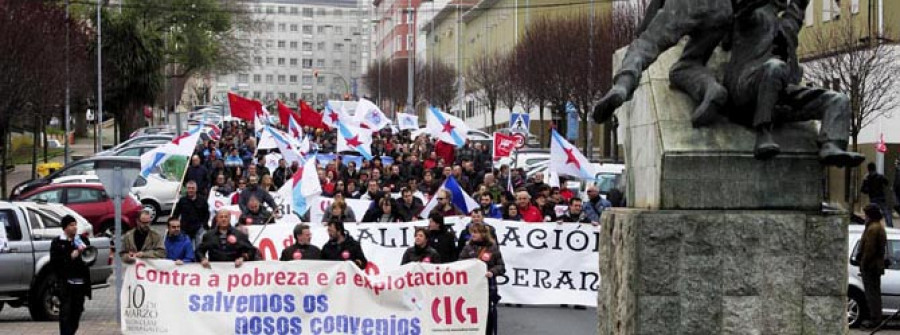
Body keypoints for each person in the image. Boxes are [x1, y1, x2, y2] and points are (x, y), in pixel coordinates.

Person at [459, 223, 505, 335]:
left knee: (487, 313)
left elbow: (501, 266)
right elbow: (459, 263)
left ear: (483, 234)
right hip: (471, 288)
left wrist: (492, 272)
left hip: (488, 286)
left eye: (476, 232)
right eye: (472, 232)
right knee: (471, 313)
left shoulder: (492, 248)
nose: (472, 235)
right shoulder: (467, 248)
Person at [50, 215, 92, 335]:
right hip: (66, 284)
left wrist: (84, 253)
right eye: (71, 225)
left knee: (76, 312)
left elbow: (90, 259)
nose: (74, 227)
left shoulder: (82, 240)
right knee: (65, 313)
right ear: (65, 228)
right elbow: (55, 262)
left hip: (80, 283)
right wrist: (70, 256)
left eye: (75, 224)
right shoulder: (58, 242)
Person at [859, 203, 887, 329]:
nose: (864, 217)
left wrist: (863, 264)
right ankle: (876, 318)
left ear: (870, 215)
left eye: (866, 214)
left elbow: (869, 250)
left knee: (872, 295)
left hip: (871, 267)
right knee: (875, 294)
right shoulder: (877, 227)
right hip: (875, 266)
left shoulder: (873, 229)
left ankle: (875, 319)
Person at [171, 181, 210, 250]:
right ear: (186, 189)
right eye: (189, 188)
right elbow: (176, 213)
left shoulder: (202, 200)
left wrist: (204, 225)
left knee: (199, 248)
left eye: (193, 188)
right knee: (187, 248)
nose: (191, 190)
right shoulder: (182, 201)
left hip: (198, 229)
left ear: (196, 189)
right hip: (185, 229)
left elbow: (207, 214)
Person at [862, 162, 894, 227]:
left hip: (873, 198)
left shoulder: (867, 178)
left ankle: (872, 225)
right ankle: (890, 225)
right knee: (886, 212)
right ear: (875, 168)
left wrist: (864, 181)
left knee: (872, 213)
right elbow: (887, 182)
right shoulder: (880, 176)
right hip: (881, 198)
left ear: (868, 169)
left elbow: (863, 190)